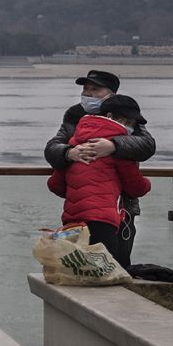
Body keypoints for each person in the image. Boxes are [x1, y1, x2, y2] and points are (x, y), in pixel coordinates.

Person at [45, 69, 154, 266]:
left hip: (121, 206)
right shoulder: (75, 116)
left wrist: (114, 146)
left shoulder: (125, 114)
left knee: (112, 263)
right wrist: (69, 153)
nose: (88, 94)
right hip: (91, 208)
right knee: (98, 267)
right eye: (86, 89)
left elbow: (147, 145)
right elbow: (52, 148)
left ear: (111, 94)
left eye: (95, 89)